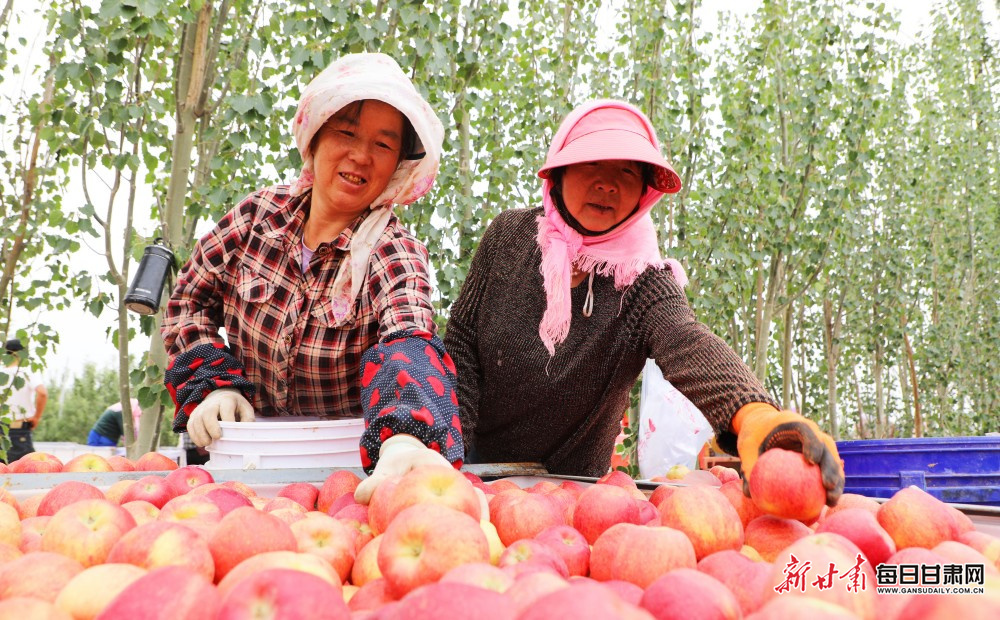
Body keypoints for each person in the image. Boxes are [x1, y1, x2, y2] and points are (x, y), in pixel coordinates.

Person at [439, 99, 844, 504]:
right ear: (558, 173)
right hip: (475, 471)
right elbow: (462, 343)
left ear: (644, 194)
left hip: (575, 494)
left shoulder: (641, 280)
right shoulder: (508, 237)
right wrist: (450, 457)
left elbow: (686, 340)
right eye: (592, 163)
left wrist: (753, 412)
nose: (607, 184)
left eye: (627, 172)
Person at [162, 53, 463, 488]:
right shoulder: (257, 219)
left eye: (383, 145)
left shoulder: (393, 251)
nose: (361, 155)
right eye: (347, 132)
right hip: (245, 463)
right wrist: (213, 384)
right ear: (315, 136)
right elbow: (189, 301)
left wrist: (405, 437)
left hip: (347, 477)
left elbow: (408, 336)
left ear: (399, 164)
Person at [1, 338, 48, 463]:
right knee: (24, 469)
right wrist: (36, 417)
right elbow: (42, 393)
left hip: (1, 426)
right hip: (18, 430)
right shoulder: (27, 372)